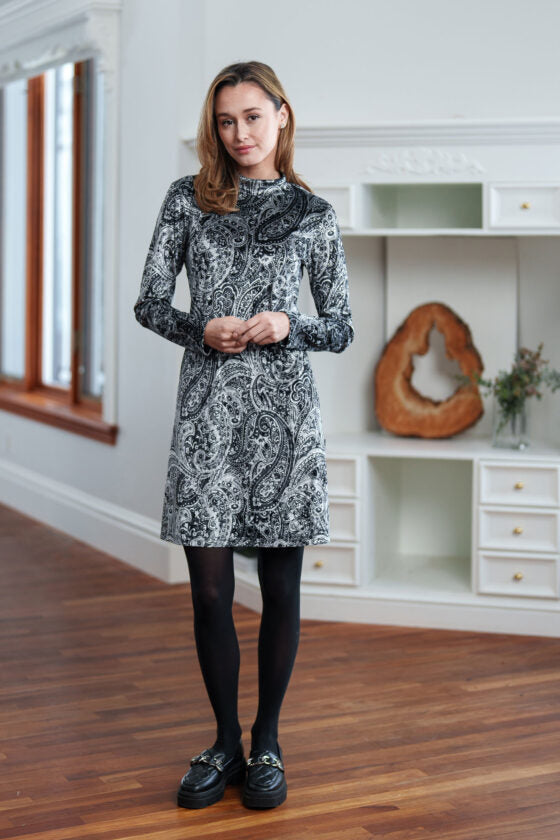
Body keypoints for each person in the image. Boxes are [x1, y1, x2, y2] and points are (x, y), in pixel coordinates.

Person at [133, 60, 354, 810]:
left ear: (281, 117)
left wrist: (291, 323)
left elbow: (342, 327)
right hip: (207, 421)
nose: (240, 134)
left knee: (282, 589)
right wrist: (204, 327)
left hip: (285, 421)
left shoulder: (314, 215)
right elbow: (149, 303)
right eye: (226, 121)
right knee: (209, 591)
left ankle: (268, 740)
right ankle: (224, 739)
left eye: (253, 117)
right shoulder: (186, 202)